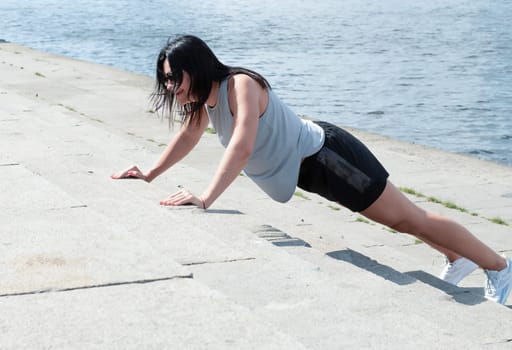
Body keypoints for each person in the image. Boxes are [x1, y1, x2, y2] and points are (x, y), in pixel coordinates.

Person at [111, 34, 512, 304]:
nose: (170, 87)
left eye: (173, 78)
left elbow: (243, 142)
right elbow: (187, 137)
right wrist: (149, 173)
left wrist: (205, 197)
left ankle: (499, 265)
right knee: (402, 222)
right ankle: (457, 257)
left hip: (330, 159)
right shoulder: (204, 102)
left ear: (195, 66)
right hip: (312, 170)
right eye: (164, 80)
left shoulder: (240, 85)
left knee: (409, 217)